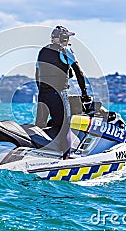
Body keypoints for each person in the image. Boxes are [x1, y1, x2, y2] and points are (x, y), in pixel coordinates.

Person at [35, 26, 92, 159]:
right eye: (67, 39)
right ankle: (66, 159)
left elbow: (37, 74)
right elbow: (79, 72)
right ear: (63, 39)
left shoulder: (42, 51)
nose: (68, 42)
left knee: (39, 127)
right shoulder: (66, 50)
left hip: (43, 94)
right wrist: (84, 94)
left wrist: (42, 91)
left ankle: (36, 155)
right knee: (64, 128)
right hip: (59, 94)